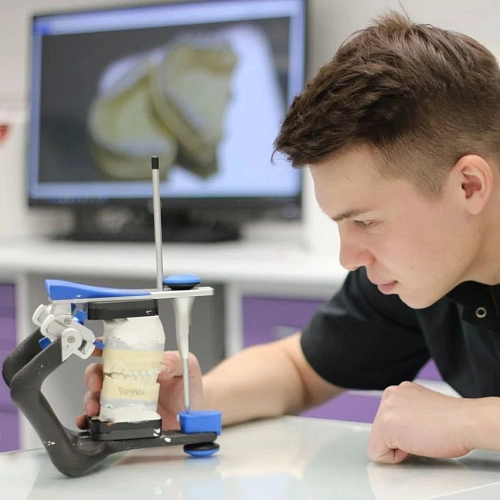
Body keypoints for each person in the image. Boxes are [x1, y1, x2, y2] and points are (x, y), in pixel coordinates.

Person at [77, 11, 500, 464]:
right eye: (339, 224)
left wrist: (469, 422)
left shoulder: (424, 260)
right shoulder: (427, 268)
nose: (349, 258)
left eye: (366, 222)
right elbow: (298, 369)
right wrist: (195, 401)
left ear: (469, 186)